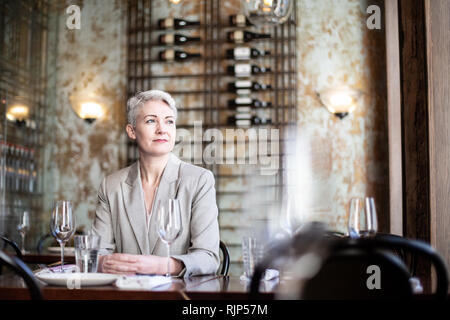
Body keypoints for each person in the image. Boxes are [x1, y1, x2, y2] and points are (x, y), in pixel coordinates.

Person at [92, 89, 220, 277]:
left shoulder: (200, 180)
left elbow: (209, 257)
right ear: (132, 131)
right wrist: (104, 261)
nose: (162, 129)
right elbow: (96, 254)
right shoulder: (110, 185)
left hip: (179, 296)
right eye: (151, 121)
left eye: (169, 121)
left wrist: (162, 266)